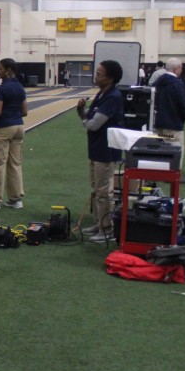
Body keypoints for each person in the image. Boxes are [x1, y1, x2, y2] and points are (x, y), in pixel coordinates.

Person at [76, 60, 125, 242]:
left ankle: (107, 229)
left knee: (104, 191)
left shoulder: (113, 97)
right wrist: (81, 110)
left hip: (106, 150)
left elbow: (94, 124)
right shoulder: (101, 94)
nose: (95, 77)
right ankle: (99, 223)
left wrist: (85, 121)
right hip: (96, 148)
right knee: (96, 189)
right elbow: (89, 117)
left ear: (110, 78)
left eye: (99, 74)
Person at [0, 58, 28, 209]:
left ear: (8, 70)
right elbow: (25, 111)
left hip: (4, 127)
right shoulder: (20, 88)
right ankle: (16, 199)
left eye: (0, 68)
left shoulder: (1, 89)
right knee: (15, 163)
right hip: (19, 127)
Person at [152, 57, 185, 172]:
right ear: (177, 69)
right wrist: (184, 117)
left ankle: (159, 172)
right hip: (173, 125)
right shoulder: (178, 84)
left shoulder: (157, 83)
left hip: (158, 123)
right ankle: (174, 174)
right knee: (176, 150)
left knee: (160, 149)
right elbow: (184, 105)